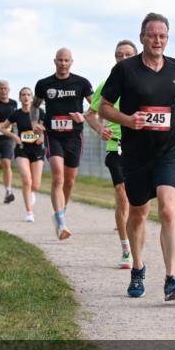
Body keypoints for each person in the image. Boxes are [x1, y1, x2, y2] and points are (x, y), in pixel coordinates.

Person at [99, 13, 175, 301]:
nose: (157, 40)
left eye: (162, 36)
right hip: (135, 152)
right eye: (152, 35)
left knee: (168, 208)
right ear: (142, 37)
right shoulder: (126, 70)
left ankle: (171, 279)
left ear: (167, 38)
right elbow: (104, 108)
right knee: (139, 212)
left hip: (169, 148)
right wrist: (127, 120)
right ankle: (138, 268)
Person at [34, 47, 98, 240]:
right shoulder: (44, 84)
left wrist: (84, 116)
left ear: (71, 62)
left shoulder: (82, 83)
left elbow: (97, 106)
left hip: (74, 137)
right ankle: (61, 222)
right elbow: (34, 107)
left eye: (66, 60)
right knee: (58, 177)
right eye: (60, 60)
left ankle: (61, 210)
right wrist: (34, 123)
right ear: (54, 61)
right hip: (53, 135)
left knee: (69, 181)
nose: (63, 63)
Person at [86, 39, 137, 269]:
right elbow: (90, 114)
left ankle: (137, 241)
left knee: (139, 201)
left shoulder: (145, 81)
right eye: (119, 55)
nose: (123, 59)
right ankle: (126, 249)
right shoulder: (107, 83)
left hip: (141, 146)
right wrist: (100, 129)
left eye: (128, 55)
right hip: (115, 145)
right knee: (122, 193)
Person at [0, 87, 46, 222]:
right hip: (22, 149)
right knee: (26, 180)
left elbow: (48, 128)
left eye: (28, 95)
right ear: (20, 98)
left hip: (37, 149)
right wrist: (14, 136)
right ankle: (29, 212)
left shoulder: (39, 112)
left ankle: (32, 192)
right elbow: (2, 128)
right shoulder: (16, 114)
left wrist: (42, 137)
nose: (26, 97)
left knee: (35, 185)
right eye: (23, 95)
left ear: (32, 98)